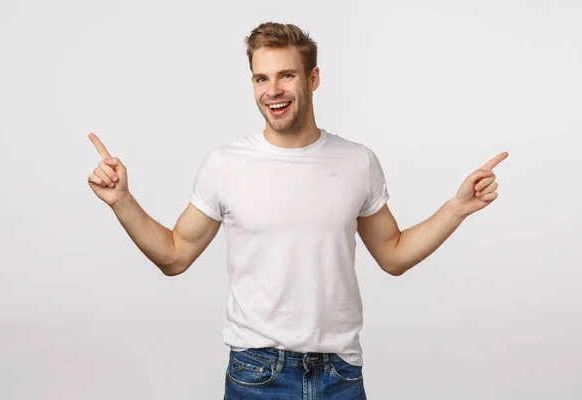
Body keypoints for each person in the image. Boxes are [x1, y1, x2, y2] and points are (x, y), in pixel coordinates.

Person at [87, 22, 508, 400]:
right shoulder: (225, 165)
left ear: (313, 78)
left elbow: (393, 254)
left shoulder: (357, 161)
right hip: (258, 375)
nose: (273, 91)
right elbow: (175, 255)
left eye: (286, 75)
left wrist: (458, 208)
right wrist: (122, 201)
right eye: (261, 78)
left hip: (341, 375)